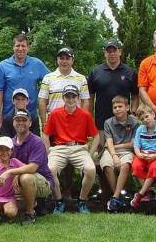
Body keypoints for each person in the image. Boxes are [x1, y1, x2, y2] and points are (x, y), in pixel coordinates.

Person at [42, 85, 98, 214]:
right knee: (50, 170)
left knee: (90, 169)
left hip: (79, 148)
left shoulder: (85, 115)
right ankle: (59, 201)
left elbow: (96, 136)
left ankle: (82, 201)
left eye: (73, 96)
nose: (71, 99)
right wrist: (48, 150)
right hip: (59, 148)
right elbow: (45, 134)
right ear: (63, 98)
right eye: (68, 96)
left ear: (78, 98)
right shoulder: (55, 113)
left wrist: (90, 154)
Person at [88, 40, 138, 155]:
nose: (112, 53)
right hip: (102, 119)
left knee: (124, 151)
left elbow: (135, 96)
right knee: (103, 150)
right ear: (104, 53)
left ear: (120, 52)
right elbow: (90, 97)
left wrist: (133, 113)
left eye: (114, 50)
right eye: (108, 51)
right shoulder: (95, 72)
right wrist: (90, 116)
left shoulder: (130, 72)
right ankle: (103, 172)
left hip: (124, 121)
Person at [0, 34, 49, 134]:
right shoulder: (3, 66)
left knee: (32, 147)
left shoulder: (37, 64)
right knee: (8, 148)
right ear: (13, 47)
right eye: (17, 46)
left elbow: (50, 81)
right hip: (9, 117)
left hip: (31, 116)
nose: (20, 49)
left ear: (28, 48)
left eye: (23, 46)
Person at [5, 110, 54, 224]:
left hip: (42, 182)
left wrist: (13, 172)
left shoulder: (37, 142)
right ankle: (31, 204)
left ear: (30, 123)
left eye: (24, 120)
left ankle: (30, 213)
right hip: (20, 182)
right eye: (18, 120)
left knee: (26, 177)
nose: (21, 123)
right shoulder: (10, 143)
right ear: (13, 122)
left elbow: (32, 168)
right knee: (11, 210)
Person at [102, 96, 140, 212]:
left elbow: (132, 144)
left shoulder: (134, 122)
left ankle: (115, 198)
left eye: (120, 106)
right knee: (107, 166)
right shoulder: (108, 122)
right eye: (115, 107)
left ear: (127, 107)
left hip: (127, 152)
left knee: (125, 165)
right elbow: (108, 142)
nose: (117, 109)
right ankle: (117, 197)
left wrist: (115, 146)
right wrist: (113, 155)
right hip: (111, 152)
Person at [129, 106, 156, 210]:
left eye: (147, 116)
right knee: (136, 166)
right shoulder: (140, 129)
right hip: (143, 154)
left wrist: (155, 156)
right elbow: (136, 145)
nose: (145, 120)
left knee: (154, 168)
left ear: (153, 115)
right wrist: (138, 154)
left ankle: (140, 194)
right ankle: (146, 192)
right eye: (142, 119)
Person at [38, 47, 90, 123]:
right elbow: (42, 101)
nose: (64, 61)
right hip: (54, 122)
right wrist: (43, 123)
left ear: (72, 60)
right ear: (57, 60)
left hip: (75, 121)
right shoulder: (47, 78)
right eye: (61, 58)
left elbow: (85, 101)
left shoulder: (81, 79)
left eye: (67, 58)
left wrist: (83, 121)